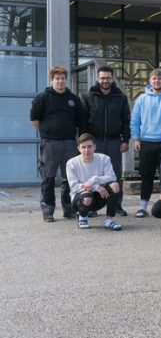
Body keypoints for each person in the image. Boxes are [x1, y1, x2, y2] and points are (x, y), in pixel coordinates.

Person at [30, 65, 85, 222]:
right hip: (50, 143)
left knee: (70, 178)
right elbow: (34, 120)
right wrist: (48, 131)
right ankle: (48, 211)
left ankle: (69, 209)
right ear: (52, 80)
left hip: (69, 143)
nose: (60, 81)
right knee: (48, 178)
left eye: (63, 78)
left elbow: (81, 122)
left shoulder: (73, 99)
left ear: (66, 80)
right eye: (57, 78)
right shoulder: (42, 98)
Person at [81, 65, 130, 216]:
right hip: (95, 141)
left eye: (108, 78)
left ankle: (116, 205)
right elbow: (83, 121)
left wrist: (125, 140)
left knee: (115, 174)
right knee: (94, 174)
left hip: (115, 141)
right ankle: (92, 206)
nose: (105, 81)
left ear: (112, 78)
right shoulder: (88, 96)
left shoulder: (121, 97)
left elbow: (126, 120)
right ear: (98, 78)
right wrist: (85, 143)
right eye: (102, 78)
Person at [130, 68, 161, 218]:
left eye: (160, 78)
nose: (157, 81)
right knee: (146, 176)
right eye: (154, 79)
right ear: (150, 81)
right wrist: (136, 138)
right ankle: (143, 206)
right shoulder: (142, 99)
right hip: (146, 142)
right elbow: (135, 120)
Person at [66, 133, 122, 231]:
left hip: (101, 196)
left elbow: (112, 176)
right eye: (83, 147)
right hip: (81, 199)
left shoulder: (104, 158)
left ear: (95, 147)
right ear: (78, 148)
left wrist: (94, 180)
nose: (87, 150)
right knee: (87, 197)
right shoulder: (71, 163)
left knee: (115, 185)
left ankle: (109, 220)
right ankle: (82, 217)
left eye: (89, 146)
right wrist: (96, 187)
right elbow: (74, 187)